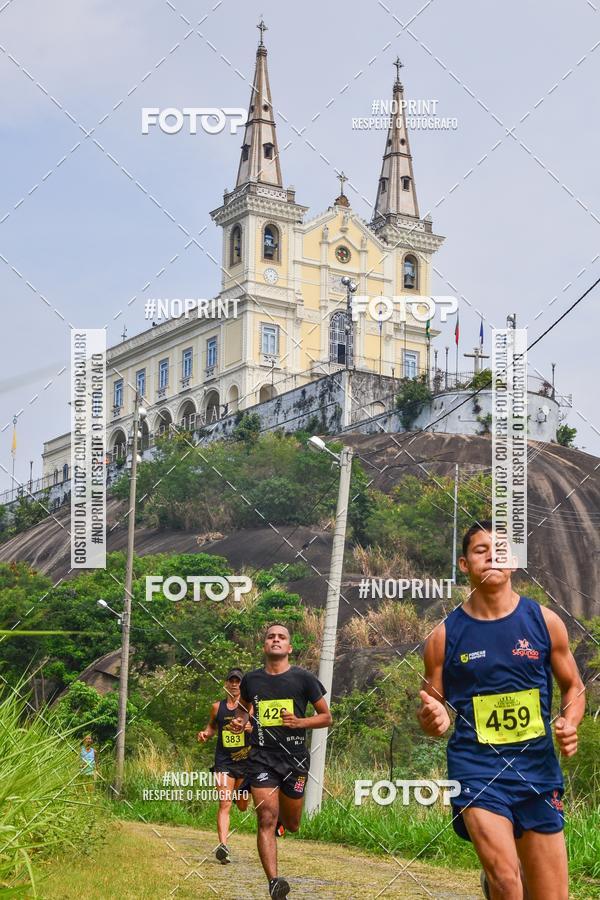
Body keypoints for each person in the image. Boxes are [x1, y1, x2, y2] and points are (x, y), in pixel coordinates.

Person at [417, 520, 585, 900]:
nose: (492, 556)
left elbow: (573, 686)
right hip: (477, 768)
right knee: (509, 883)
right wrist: (434, 718)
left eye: (502, 551)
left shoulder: (545, 622)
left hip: (537, 770)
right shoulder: (444, 636)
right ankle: (498, 882)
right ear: (464, 564)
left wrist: (569, 720)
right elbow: (431, 707)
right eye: (481, 550)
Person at [231, 623, 332, 900]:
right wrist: (240, 722)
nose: (275, 640)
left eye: (281, 637)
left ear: (289, 647)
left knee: (293, 823)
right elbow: (243, 709)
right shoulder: (251, 680)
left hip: (294, 759)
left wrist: (300, 722)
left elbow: (326, 717)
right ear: (264, 645)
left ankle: (282, 824)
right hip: (261, 758)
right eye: (270, 636)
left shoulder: (304, 678)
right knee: (265, 816)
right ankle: (274, 883)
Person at [197, 668, 252, 865]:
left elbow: (260, 729)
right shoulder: (216, 707)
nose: (234, 684)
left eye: (238, 681)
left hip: (245, 762)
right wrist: (205, 734)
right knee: (224, 803)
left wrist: (251, 728)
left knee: (243, 806)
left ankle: (240, 796)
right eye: (231, 681)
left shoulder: (250, 707)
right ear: (226, 684)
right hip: (224, 762)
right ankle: (223, 846)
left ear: (242, 685)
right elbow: (212, 727)